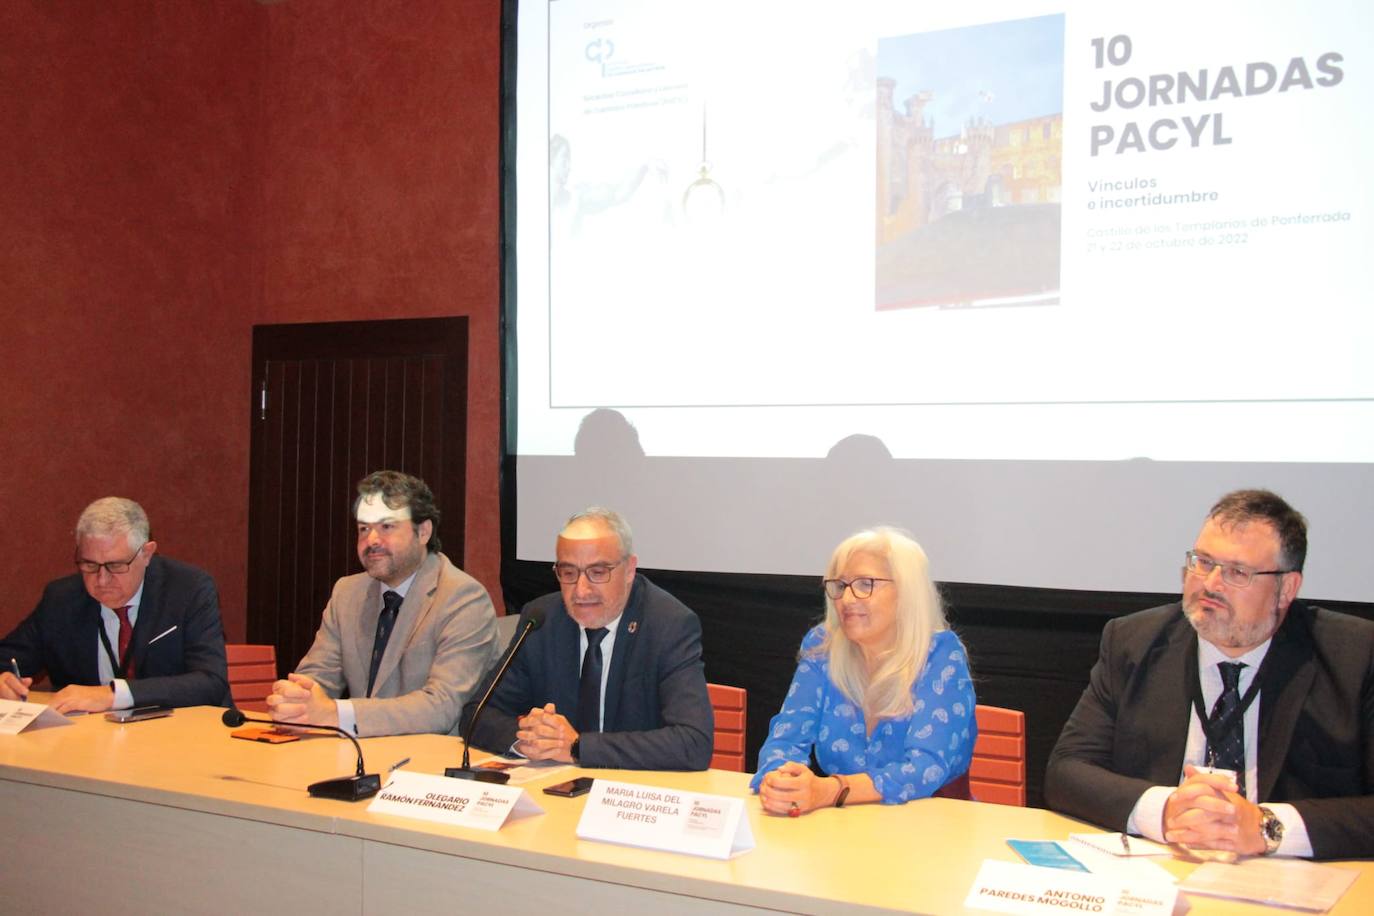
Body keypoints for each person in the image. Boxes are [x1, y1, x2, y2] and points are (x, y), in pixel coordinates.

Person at [1045, 489, 1374, 860]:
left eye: (1237, 572)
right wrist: (1166, 811)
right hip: (1165, 874)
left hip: (1300, 883)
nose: (1211, 584)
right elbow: (1066, 771)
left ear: (1286, 588)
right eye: (1202, 562)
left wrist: (1266, 826)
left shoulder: (1355, 657)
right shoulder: (1133, 642)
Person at [461, 507, 713, 770]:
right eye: (569, 573)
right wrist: (529, 738)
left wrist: (577, 747)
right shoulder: (542, 620)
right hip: (558, 791)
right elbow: (475, 714)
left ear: (629, 570)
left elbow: (693, 743)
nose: (581, 590)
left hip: (634, 793)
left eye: (598, 572)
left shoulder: (667, 624)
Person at [751, 527, 977, 815]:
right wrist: (782, 782)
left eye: (865, 584)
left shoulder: (941, 655)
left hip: (929, 830)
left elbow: (925, 768)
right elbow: (785, 738)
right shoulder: (823, 647)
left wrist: (829, 790)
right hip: (846, 829)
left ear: (907, 592)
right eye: (841, 585)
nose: (846, 599)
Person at [267, 471, 500, 737]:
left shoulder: (463, 598)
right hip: (358, 756)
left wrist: (336, 714)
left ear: (423, 532)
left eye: (387, 526)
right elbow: (318, 677)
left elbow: (443, 706)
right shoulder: (347, 593)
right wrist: (296, 700)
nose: (372, 540)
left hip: (432, 762)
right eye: (364, 528)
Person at [0, 497, 229, 712]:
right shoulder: (61, 599)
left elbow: (209, 682)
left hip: (182, 738)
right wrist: (4, 680)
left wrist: (112, 696)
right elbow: (7, 659)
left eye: (116, 565)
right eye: (89, 565)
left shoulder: (188, 590)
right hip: (89, 744)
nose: (101, 580)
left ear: (147, 553)